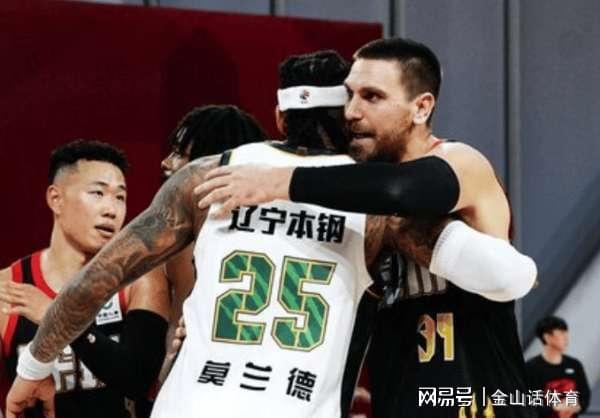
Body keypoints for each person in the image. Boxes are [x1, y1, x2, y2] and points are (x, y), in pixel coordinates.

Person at [6, 49, 536, 418]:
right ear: (344, 115)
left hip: (193, 404)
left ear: (279, 115)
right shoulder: (373, 210)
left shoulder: (208, 177)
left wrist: (32, 366)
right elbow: (511, 277)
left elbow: (93, 282)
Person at [193, 37, 538, 417]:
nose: (352, 112)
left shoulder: (460, 161)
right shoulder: (350, 190)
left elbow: (401, 191)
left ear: (421, 107)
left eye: (372, 97)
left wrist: (278, 181)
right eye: (348, 96)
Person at [0, 140, 169, 418]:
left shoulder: (140, 279)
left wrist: (57, 318)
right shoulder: (9, 286)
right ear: (56, 199)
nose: (111, 209)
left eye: (120, 197)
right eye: (97, 193)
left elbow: (137, 380)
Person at [155, 105, 267, 383]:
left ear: (209, 163)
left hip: (200, 382)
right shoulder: (266, 232)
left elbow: (177, 335)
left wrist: (164, 383)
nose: (166, 162)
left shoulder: (190, 240)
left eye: (179, 153)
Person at [526, 316, 590, 418]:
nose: (566, 338)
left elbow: (585, 397)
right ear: (547, 337)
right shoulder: (531, 367)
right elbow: (529, 402)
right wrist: (556, 407)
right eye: (561, 333)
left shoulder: (574, 365)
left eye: (566, 333)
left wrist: (575, 407)